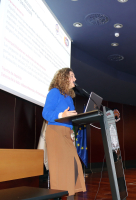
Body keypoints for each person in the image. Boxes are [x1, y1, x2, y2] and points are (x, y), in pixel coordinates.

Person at [43, 68, 86, 199]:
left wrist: (73, 131)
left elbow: (70, 118)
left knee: (74, 167)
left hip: (67, 134)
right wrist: (62, 114)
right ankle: (59, 195)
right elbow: (45, 113)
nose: (75, 79)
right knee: (59, 170)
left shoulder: (69, 98)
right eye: (72, 76)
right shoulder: (54, 92)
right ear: (64, 78)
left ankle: (71, 195)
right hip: (56, 133)